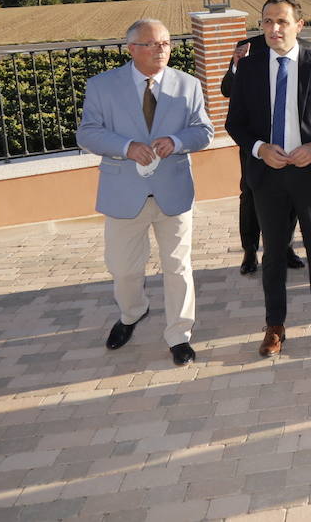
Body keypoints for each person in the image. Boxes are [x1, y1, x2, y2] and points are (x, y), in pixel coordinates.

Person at [77, 19, 214, 366]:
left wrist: (178, 141)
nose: (161, 50)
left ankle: (179, 335)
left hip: (173, 191)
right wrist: (126, 146)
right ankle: (132, 312)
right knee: (123, 269)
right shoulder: (102, 86)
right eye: (152, 44)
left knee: (178, 266)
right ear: (132, 48)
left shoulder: (188, 84)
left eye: (166, 44)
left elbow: (204, 131)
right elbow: (88, 134)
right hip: (124, 193)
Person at [225, 0, 311, 356]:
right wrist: (260, 149)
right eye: (267, 22)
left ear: (299, 26)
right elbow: (234, 124)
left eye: (281, 21)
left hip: (310, 173)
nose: (273, 29)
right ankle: (275, 326)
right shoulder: (248, 69)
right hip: (267, 176)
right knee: (273, 257)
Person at [221, 33, 303, 275]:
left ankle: (286, 248)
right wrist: (236, 67)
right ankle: (249, 251)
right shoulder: (247, 47)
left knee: (290, 197)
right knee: (249, 196)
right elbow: (227, 90)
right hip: (254, 143)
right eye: (269, 19)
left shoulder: (305, 48)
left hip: (291, 143)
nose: (275, 25)